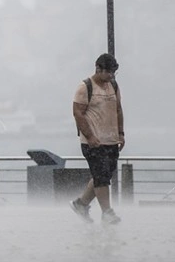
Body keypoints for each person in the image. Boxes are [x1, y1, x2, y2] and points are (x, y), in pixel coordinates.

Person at [70, 53, 124, 224]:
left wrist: (121, 133)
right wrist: (90, 136)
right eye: (108, 72)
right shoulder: (85, 87)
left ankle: (81, 204)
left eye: (113, 73)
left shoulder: (113, 86)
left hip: (111, 140)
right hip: (92, 142)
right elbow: (77, 113)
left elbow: (118, 109)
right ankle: (107, 213)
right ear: (98, 69)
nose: (110, 76)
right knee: (101, 175)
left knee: (104, 175)